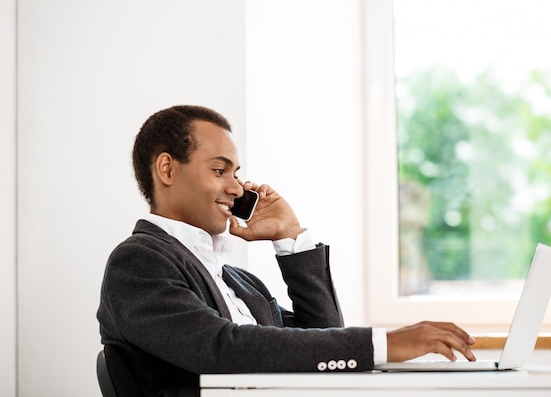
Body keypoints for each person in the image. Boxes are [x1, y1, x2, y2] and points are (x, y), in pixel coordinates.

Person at [97, 105, 476, 397]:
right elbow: (222, 350)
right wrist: (386, 343)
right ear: (167, 169)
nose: (236, 187)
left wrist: (291, 239)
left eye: (236, 173)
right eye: (219, 171)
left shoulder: (238, 282)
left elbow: (321, 338)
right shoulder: (139, 262)